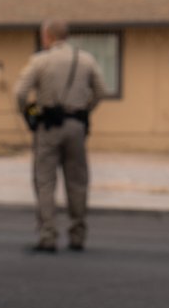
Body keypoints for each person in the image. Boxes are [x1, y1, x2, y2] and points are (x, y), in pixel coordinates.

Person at [14, 19, 107, 252]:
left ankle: (48, 236)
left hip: (48, 127)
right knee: (77, 181)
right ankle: (78, 235)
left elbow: (20, 92)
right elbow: (101, 91)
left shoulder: (40, 61)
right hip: (76, 125)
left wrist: (28, 113)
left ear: (48, 36)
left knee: (45, 182)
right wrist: (85, 110)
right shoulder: (85, 59)